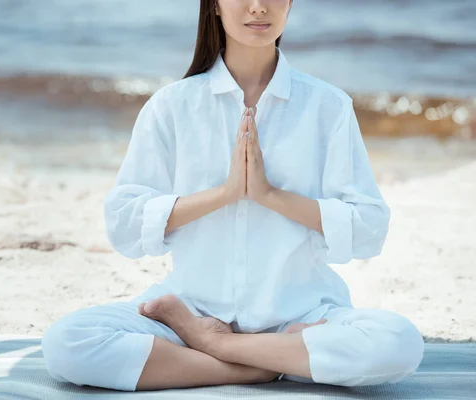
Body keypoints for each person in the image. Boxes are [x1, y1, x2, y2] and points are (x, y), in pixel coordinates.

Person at [41, 0, 425, 392]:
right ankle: (254, 365)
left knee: (400, 343)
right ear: (216, 7)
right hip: (195, 309)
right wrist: (225, 194)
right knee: (66, 343)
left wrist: (269, 195)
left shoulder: (328, 106)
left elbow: (368, 229)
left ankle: (216, 346)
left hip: (300, 317)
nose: (258, 7)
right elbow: (124, 224)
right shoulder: (172, 106)